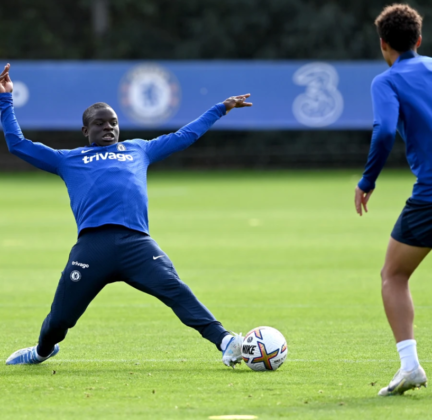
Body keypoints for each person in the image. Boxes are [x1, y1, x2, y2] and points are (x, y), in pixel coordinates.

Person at [0, 63, 252, 368]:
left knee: (175, 289)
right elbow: (17, 144)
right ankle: (41, 351)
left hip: (137, 244)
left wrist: (220, 108)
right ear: (85, 130)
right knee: (60, 319)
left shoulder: (138, 149)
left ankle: (226, 342)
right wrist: (5, 100)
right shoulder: (67, 159)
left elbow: (184, 136)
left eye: (113, 122)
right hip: (92, 249)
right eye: (99, 123)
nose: (108, 127)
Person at [355, 4, 430, 396]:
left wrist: (368, 179)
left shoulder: (387, 81)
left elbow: (384, 131)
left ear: (384, 44)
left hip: (431, 194)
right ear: (418, 39)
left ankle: (410, 366)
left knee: (394, 275)